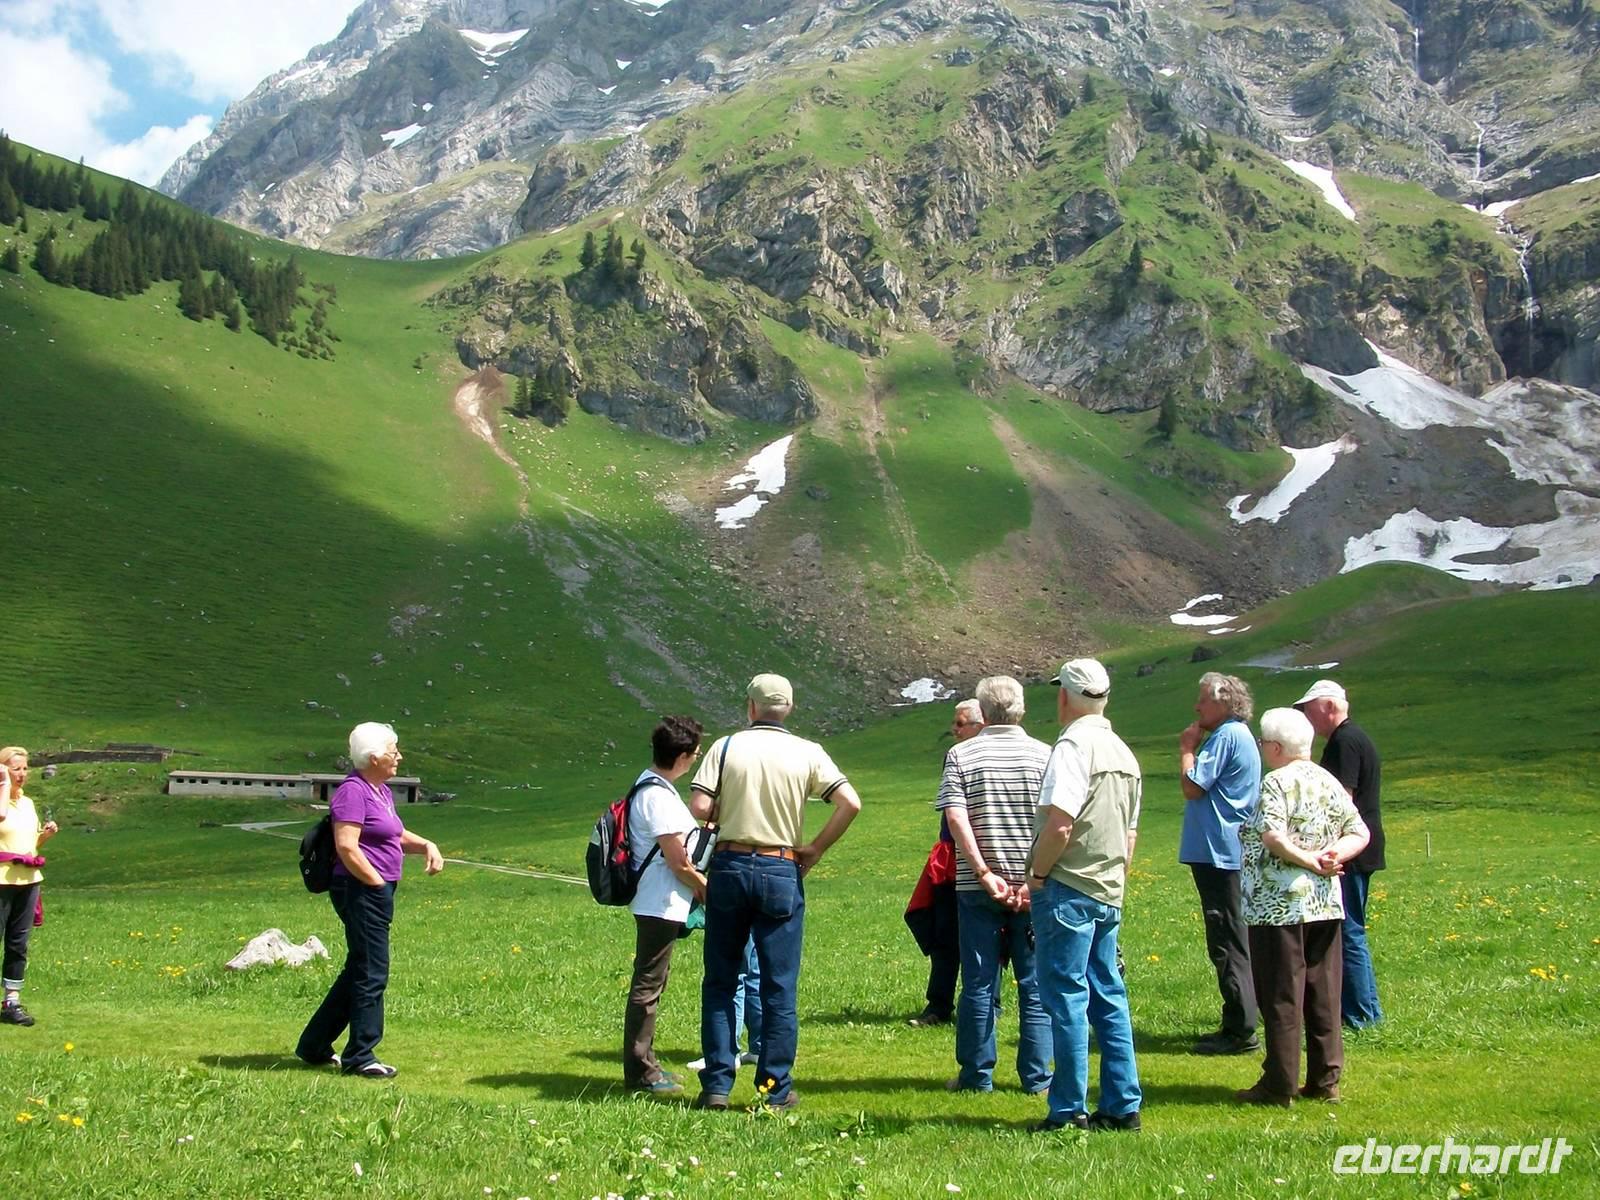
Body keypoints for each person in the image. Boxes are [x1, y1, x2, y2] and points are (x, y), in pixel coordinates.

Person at [688, 674, 861, 1110]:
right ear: (789, 709)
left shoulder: (726, 747)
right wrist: (816, 848)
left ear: (750, 706)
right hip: (781, 865)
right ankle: (774, 1089)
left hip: (729, 864)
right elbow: (849, 802)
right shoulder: (807, 752)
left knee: (722, 980)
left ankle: (717, 1085)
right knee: (778, 984)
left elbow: (700, 807)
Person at [1026, 660, 1143, 1132]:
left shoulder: (1073, 746)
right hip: (1108, 887)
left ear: (1065, 696)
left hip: (1068, 885)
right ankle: (1121, 1103)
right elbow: (1130, 835)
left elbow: (1060, 823)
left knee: (1066, 996)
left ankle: (1068, 1108)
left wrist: (1036, 872)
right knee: (1108, 995)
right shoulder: (1124, 752)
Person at [1237, 708, 1369, 1107]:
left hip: (1276, 906)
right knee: (1323, 991)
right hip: (1325, 903)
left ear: (1274, 747)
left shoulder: (1275, 782)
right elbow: (1360, 831)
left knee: (1281, 994)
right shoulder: (1327, 780)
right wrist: (1332, 856)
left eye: (1263, 744)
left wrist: (1307, 859)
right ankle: (1326, 1079)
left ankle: (1279, 1085)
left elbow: (1272, 835)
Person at [297, 723, 444, 1078]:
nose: (399, 757)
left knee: (359, 967)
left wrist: (426, 844)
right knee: (372, 970)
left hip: (374, 890)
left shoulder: (379, 791)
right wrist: (376, 884)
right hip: (359, 890)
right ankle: (361, 1055)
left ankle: (314, 1045)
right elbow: (347, 845)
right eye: (394, 751)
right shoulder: (352, 792)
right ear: (374, 757)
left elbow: (392, 834)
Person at [938, 676, 1052, 1095]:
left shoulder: (961, 754)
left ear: (983, 713)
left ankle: (975, 1075)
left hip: (976, 885)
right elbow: (1057, 820)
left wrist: (984, 872)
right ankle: (1037, 1077)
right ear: (1021, 709)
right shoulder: (1046, 755)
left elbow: (955, 817)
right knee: (1034, 983)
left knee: (980, 980)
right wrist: (1030, 879)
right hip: (1034, 884)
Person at [622, 716, 708, 1096]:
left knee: (653, 982)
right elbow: (679, 862)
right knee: (648, 985)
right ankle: (641, 1072)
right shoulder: (656, 796)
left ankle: (647, 1065)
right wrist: (707, 888)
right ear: (684, 756)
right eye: (696, 753)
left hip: (664, 900)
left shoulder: (656, 787)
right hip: (659, 900)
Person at [1179, 671, 1262, 1055]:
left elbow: (1193, 786)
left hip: (1219, 852)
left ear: (1224, 702)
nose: (1197, 707)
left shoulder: (1227, 736)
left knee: (1226, 937)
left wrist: (1187, 748)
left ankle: (1240, 1028)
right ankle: (1239, 1017)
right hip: (1228, 850)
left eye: (1203, 700)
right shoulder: (1240, 736)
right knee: (1230, 933)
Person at [1295, 679, 1385, 1028]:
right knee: (1350, 930)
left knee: (1349, 932)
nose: (1307, 717)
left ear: (1329, 707)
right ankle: (1363, 1011)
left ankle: (1361, 1015)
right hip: (1360, 845)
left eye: (1310, 709)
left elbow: (1341, 801)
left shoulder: (1344, 742)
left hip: (1351, 849)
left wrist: (1323, 846)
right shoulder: (1353, 737)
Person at [907, 699, 985, 1028]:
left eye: (960, 723)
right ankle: (939, 1005)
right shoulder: (954, 757)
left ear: (981, 725)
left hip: (985, 857)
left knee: (987, 935)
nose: (953, 729)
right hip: (950, 858)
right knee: (942, 933)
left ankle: (985, 1005)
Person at [0, 747, 57, 1027]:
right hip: (1, 880)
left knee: (18, 943)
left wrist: (43, 837)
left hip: (28, 880)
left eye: (25, 769)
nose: (21, 774)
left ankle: (11, 1001)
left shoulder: (27, 803)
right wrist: (2, 787)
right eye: (15, 769)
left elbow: (28, 845)